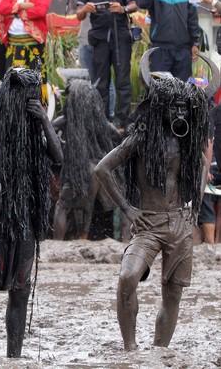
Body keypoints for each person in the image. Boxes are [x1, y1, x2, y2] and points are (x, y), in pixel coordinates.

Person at [94, 51, 216, 351]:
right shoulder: (140, 138)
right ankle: (131, 349)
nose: (179, 114)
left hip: (180, 224)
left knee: (172, 294)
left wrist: (195, 204)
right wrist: (127, 208)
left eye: (184, 109)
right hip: (147, 223)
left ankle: (159, 353)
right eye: (173, 108)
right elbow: (102, 168)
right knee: (127, 278)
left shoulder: (188, 140)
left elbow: (202, 165)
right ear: (159, 107)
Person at [0, 67, 62, 358]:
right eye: (25, 95)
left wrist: (44, 121)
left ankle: (15, 358)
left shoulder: (37, 130)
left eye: (34, 96)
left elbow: (58, 156)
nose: (30, 100)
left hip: (25, 221)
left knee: (21, 292)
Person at [52, 76, 121, 240]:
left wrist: (61, 143)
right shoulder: (100, 122)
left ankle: (56, 242)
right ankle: (84, 237)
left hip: (77, 169)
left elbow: (49, 132)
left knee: (63, 206)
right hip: (96, 169)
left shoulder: (65, 120)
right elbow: (117, 135)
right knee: (87, 208)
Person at [77, 0, 138, 129]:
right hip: (99, 38)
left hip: (120, 36)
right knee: (101, 81)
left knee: (122, 80)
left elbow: (134, 5)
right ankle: (102, 119)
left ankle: (122, 119)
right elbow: (79, 14)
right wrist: (85, 9)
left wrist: (123, 8)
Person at [135, 0, 200, 82]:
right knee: (159, 89)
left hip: (182, 49)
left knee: (183, 90)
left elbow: (193, 18)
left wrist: (195, 43)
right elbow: (141, 3)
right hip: (160, 49)